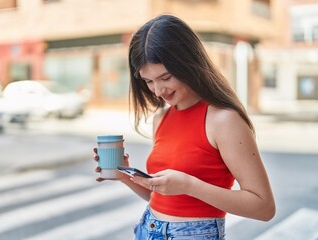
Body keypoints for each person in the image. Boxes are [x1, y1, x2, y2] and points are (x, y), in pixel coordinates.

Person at [94, 14, 275, 240]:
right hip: (148, 229)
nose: (159, 91)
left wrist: (190, 185)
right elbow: (163, 199)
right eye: (148, 81)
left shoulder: (223, 120)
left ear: (188, 65)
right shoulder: (162, 118)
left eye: (166, 77)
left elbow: (264, 207)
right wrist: (125, 176)